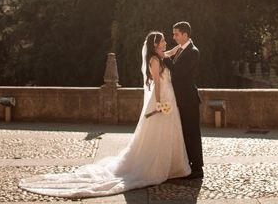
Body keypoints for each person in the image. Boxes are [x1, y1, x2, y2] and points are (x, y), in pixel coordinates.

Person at [19, 31, 190, 198]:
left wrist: (181, 46)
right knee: (156, 134)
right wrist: (159, 103)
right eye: (163, 41)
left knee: (168, 132)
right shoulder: (154, 60)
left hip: (169, 99)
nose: (166, 42)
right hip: (162, 99)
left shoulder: (159, 56)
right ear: (155, 44)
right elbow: (158, 85)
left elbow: (169, 52)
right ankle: (155, 166)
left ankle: (170, 166)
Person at [163, 21, 204, 179]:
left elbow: (178, 72)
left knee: (192, 133)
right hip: (180, 99)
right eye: (173, 34)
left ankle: (198, 168)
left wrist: (164, 57)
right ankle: (188, 165)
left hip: (189, 99)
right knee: (185, 134)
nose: (174, 37)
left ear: (185, 35)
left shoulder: (193, 52)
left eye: (176, 34)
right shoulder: (180, 50)